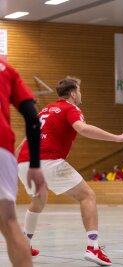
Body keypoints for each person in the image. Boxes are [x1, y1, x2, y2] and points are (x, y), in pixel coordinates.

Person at [16, 76, 123, 266]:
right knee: (87, 196)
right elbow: (83, 128)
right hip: (47, 160)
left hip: (23, 162)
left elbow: (26, 139)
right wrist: (117, 138)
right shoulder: (70, 108)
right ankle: (93, 247)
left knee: (38, 201)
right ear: (73, 93)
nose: (81, 94)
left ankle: (24, 244)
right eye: (79, 90)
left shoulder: (45, 111)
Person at [0, 60, 47, 267]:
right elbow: (32, 118)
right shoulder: (6, 68)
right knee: (9, 223)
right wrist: (35, 165)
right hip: (2, 148)